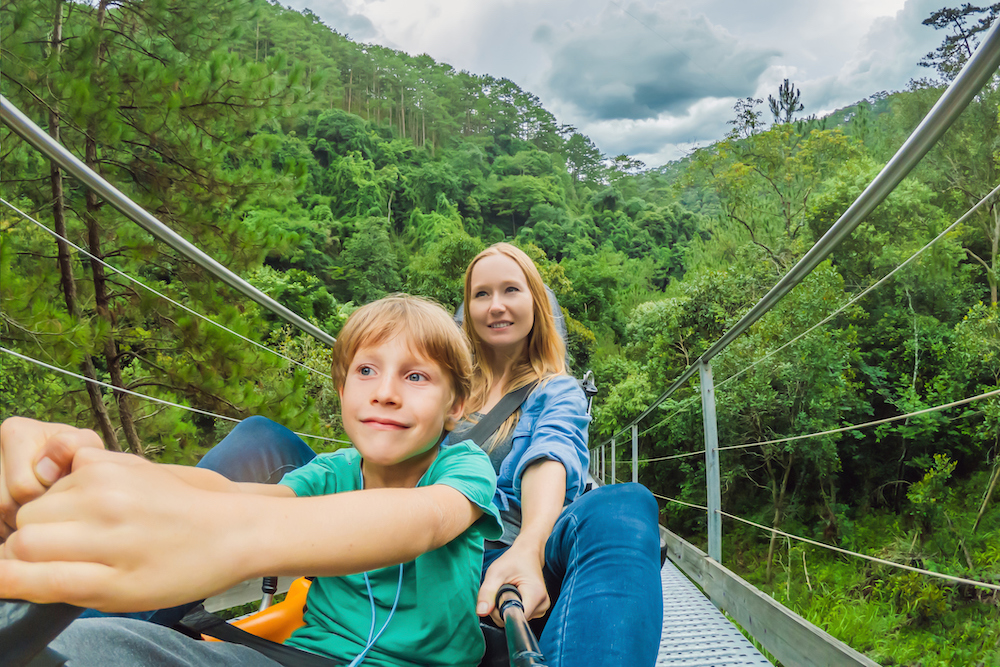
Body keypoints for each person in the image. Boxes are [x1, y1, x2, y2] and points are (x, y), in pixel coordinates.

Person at [0, 295, 503, 667]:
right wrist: (93, 471)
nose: (386, 393)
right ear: (344, 389)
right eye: (367, 370)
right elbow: (235, 493)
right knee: (103, 649)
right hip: (300, 657)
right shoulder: (333, 472)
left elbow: (425, 522)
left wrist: (231, 540)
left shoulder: (460, 469)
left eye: (416, 377)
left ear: (455, 406)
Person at [450, 243, 663, 667]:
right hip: (442, 542)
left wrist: (528, 547)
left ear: (536, 303)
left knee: (625, 503)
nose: (496, 306)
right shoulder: (441, 386)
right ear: (467, 310)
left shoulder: (556, 389)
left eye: (511, 290)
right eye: (481, 294)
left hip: (516, 542)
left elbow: (550, 453)